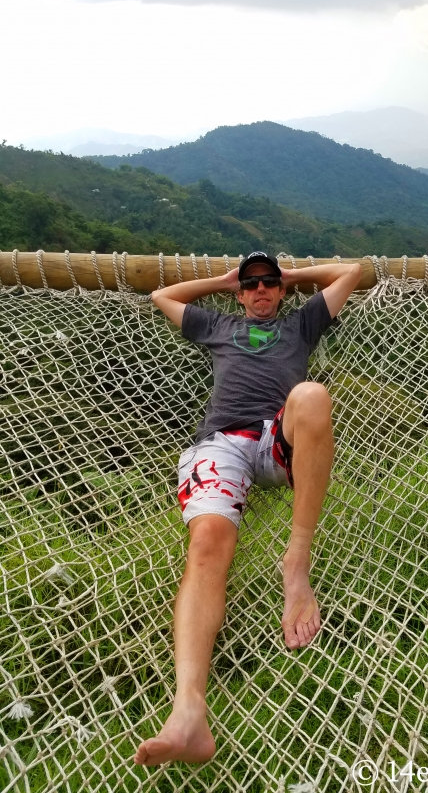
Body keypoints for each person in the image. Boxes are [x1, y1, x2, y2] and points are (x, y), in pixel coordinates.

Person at [133, 251, 362, 766]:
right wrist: (221, 281)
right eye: (252, 283)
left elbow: (352, 273)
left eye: (269, 283)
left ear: (281, 291)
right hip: (221, 444)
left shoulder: (301, 325)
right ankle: (189, 710)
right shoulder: (216, 324)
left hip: (280, 440)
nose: (261, 290)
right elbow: (160, 297)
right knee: (209, 542)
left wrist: (295, 277)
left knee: (312, 393)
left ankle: (295, 565)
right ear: (240, 292)